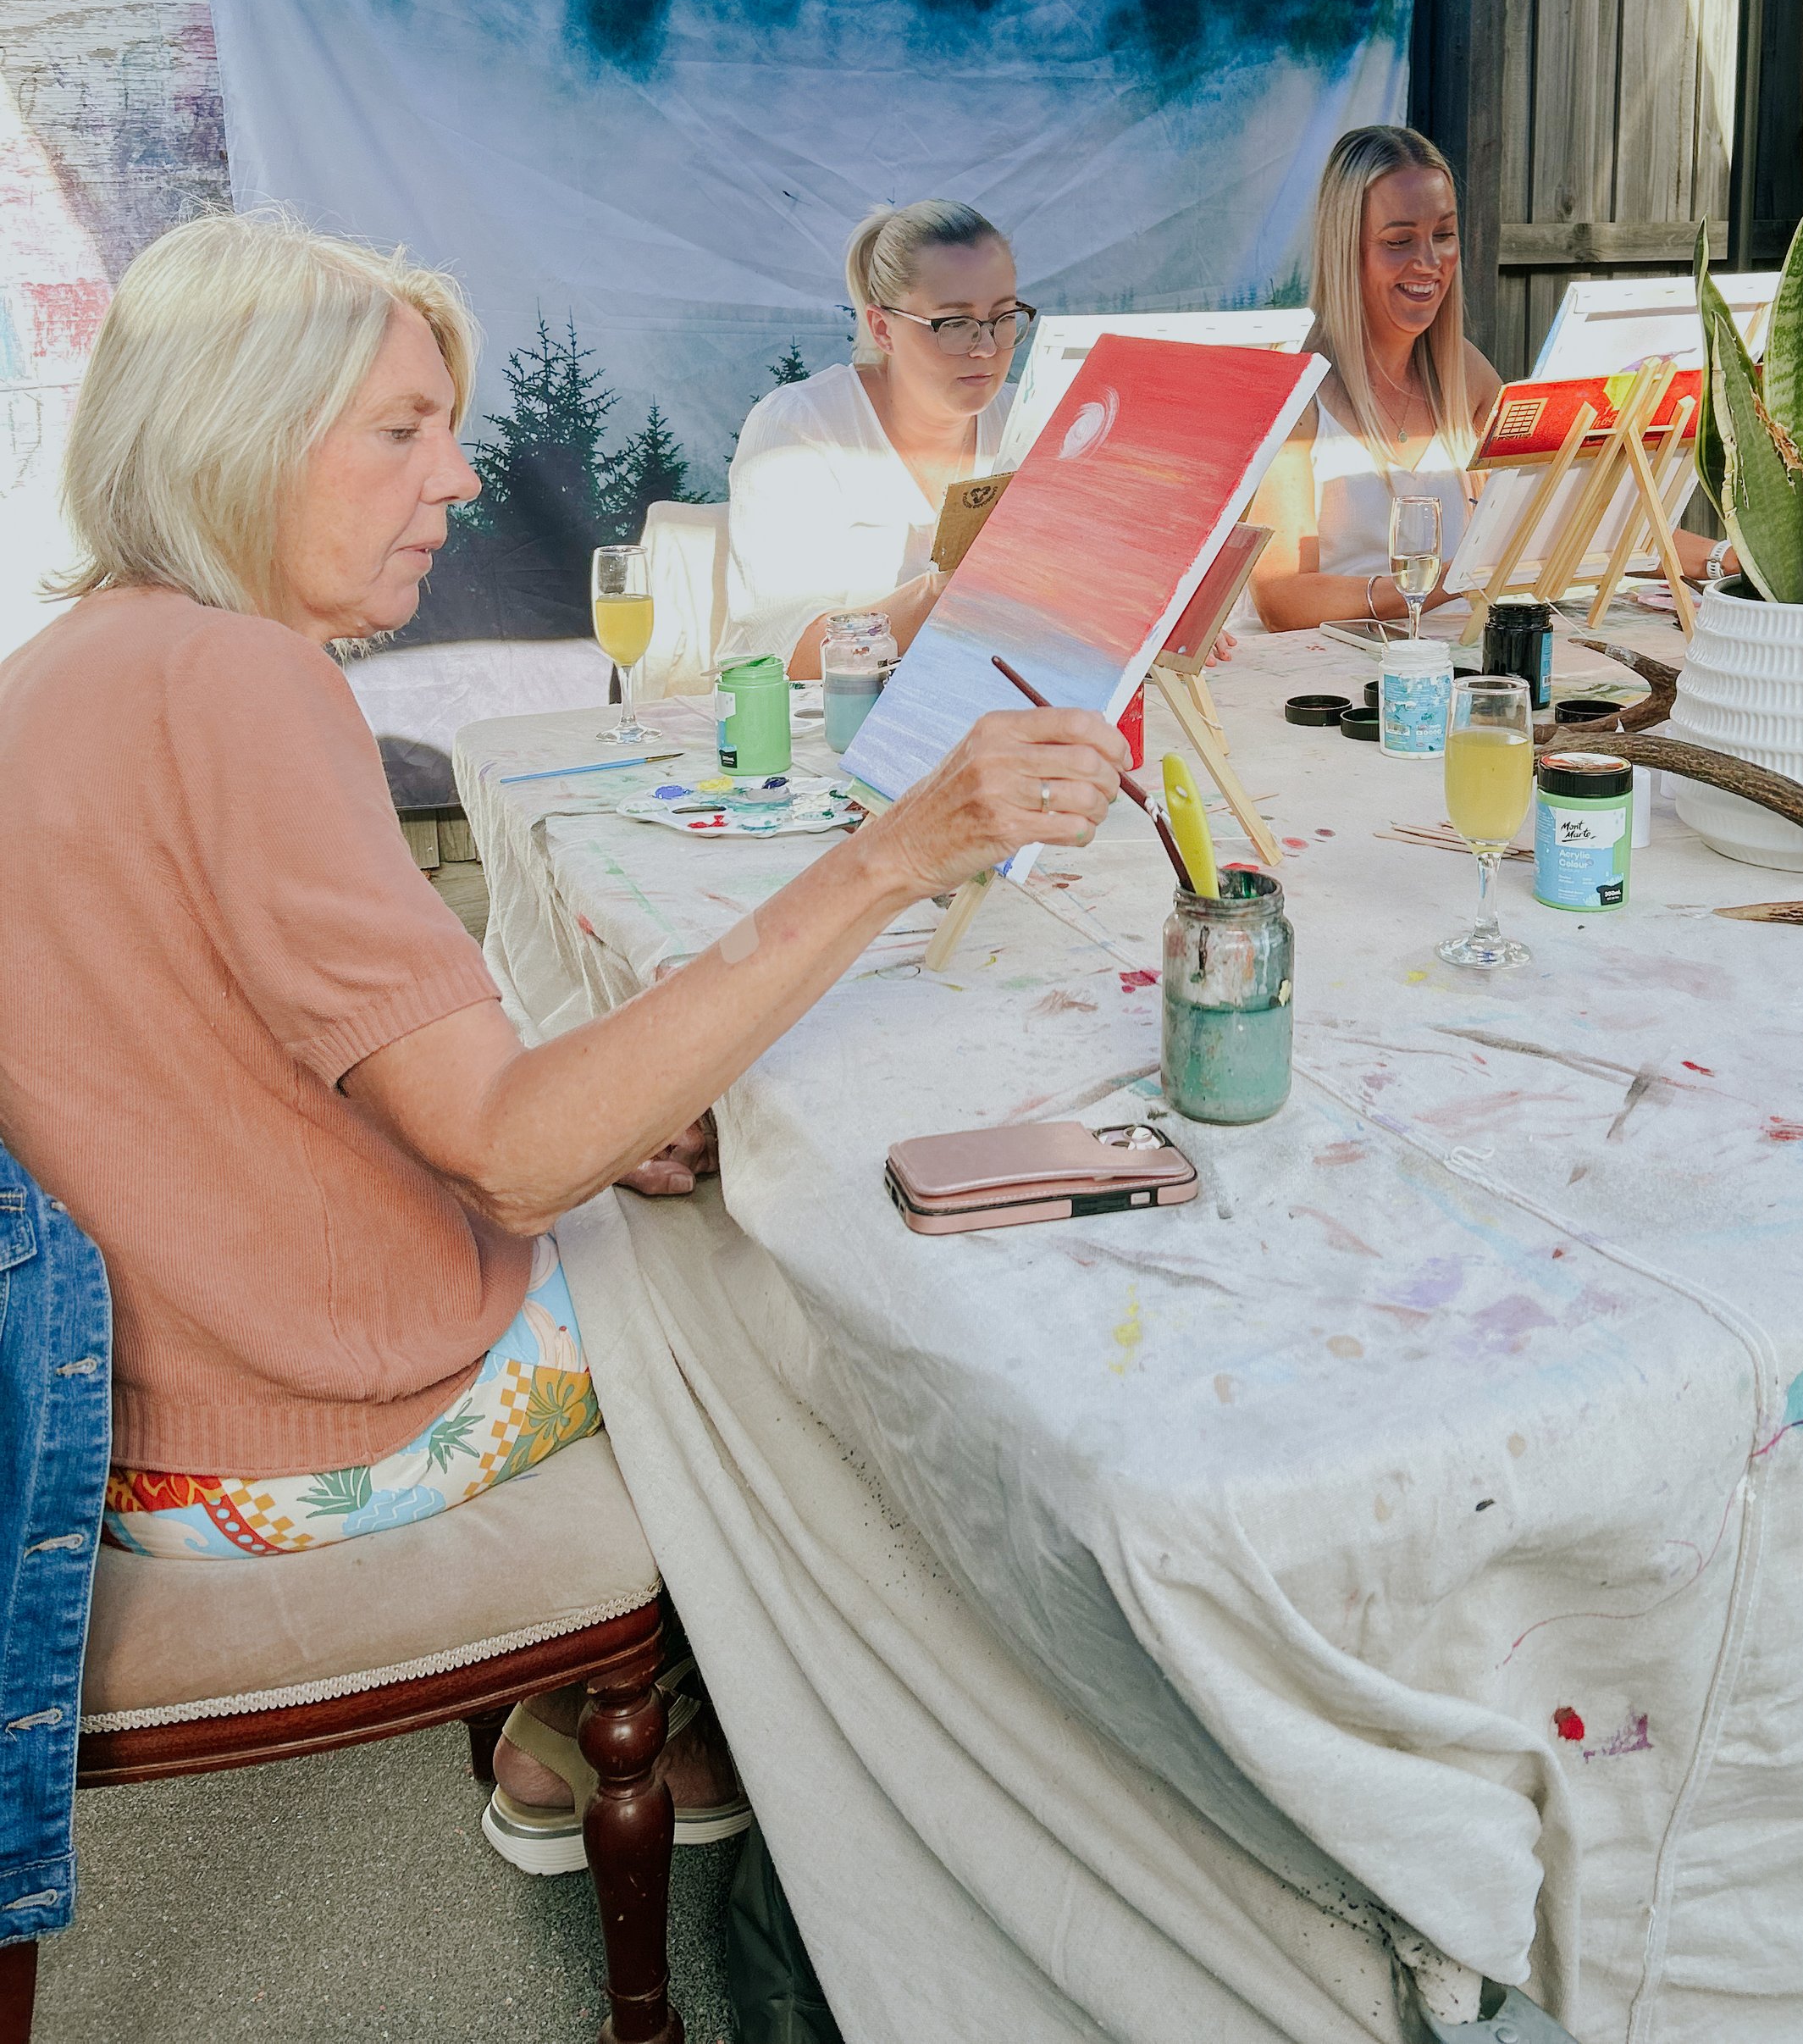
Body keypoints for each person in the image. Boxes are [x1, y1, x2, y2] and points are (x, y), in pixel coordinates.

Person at [0, 210, 1121, 1874]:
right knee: (788, 1273)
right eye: (400, 430)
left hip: (122, 1399)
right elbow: (514, 1145)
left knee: (659, 1171)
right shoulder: (246, 681)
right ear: (239, 432)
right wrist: (895, 848)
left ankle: (572, 1727)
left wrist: (600, 1127)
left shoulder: (72, 662)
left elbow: (247, 1060)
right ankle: (835, 1779)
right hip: (286, 1428)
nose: (455, 479)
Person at [722, 198, 1031, 679]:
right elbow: (791, 656)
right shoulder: (798, 429)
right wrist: (944, 592)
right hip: (806, 731)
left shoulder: (1032, 420)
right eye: (954, 324)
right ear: (882, 328)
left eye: (1004, 317)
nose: (987, 347)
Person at [1249, 127, 1502, 632]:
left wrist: (1712, 559)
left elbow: (1552, 522)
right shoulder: (1298, 386)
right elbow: (1279, 597)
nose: (1429, 262)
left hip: (1450, 669)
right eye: (1399, 241)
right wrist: (1430, 585)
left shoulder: (1466, 372)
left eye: (1444, 235)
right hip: (1324, 692)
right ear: (1346, 249)